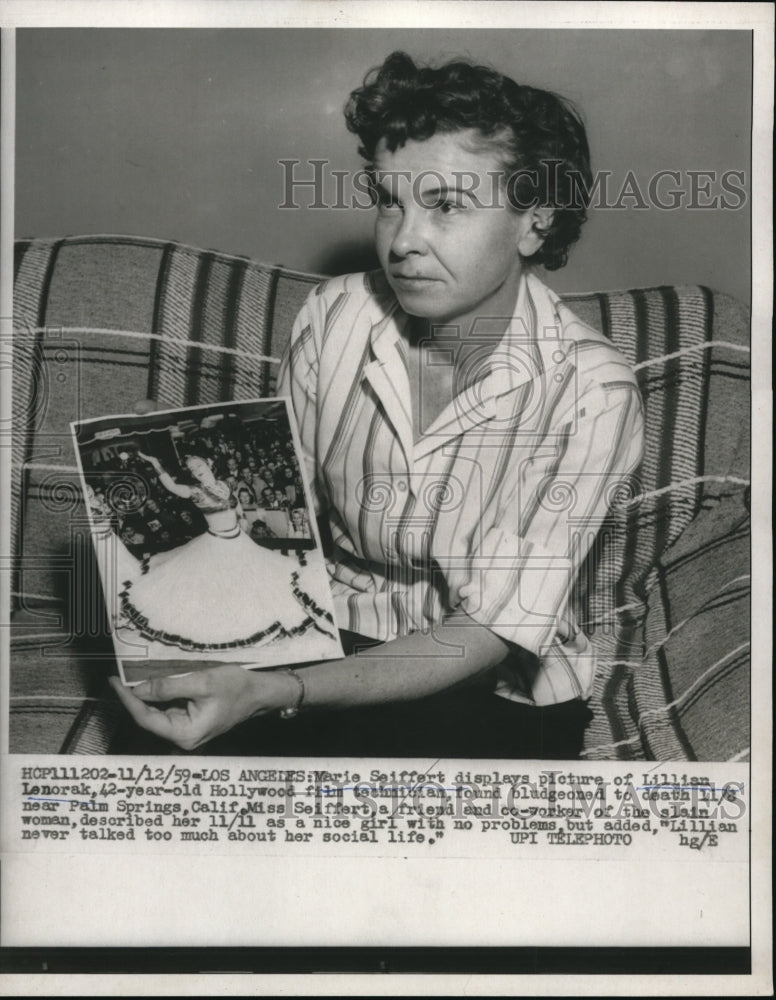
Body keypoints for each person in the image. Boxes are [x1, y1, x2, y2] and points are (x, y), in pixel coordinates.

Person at [112, 51, 644, 756]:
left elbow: (485, 634)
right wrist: (172, 458)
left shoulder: (594, 391)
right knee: (167, 744)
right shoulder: (335, 316)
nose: (403, 240)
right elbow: (284, 524)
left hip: (492, 685)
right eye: (391, 201)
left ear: (534, 222)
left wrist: (280, 692)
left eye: (446, 205)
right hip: (331, 638)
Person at [115, 451, 337, 652]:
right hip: (216, 544)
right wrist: (156, 463)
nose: (196, 470)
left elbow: (236, 505)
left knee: (256, 579)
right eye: (192, 469)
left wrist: (242, 519)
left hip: (240, 540)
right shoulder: (195, 491)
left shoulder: (223, 484)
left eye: (199, 465)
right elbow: (172, 487)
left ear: (209, 463)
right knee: (223, 586)